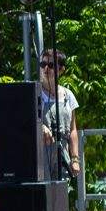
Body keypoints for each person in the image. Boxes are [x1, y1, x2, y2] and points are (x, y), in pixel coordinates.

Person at [38, 48, 80, 181]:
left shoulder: (68, 95)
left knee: (61, 195)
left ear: (61, 70)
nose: (45, 69)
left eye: (50, 65)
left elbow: (73, 130)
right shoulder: (35, 93)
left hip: (62, 154)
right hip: (42, 155)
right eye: (42, 64)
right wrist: (40, 127)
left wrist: (75, 159)